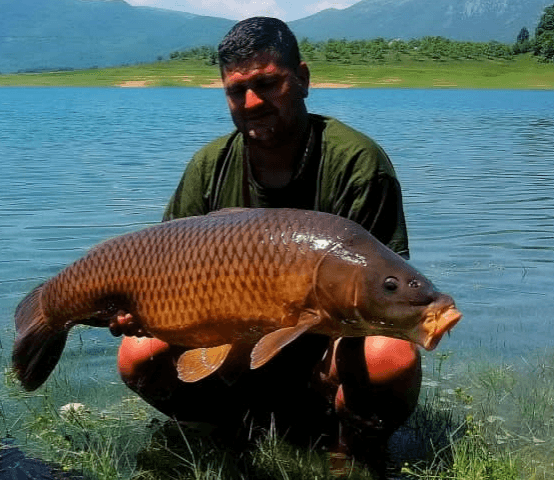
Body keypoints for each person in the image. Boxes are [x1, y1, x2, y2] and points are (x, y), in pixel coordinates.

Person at [116, 17, 419, 475]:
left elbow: (384, 296)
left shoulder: (357, 163)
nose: (252, 102)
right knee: (137, 354)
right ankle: (221, 433)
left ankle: (350, 447)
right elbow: (162, 269)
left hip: (322, 346)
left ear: (302, 79)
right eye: (237, 91)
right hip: (230, 343)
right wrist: (135, 307)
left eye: (267, 83)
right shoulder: (209, 166)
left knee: (389, 356)